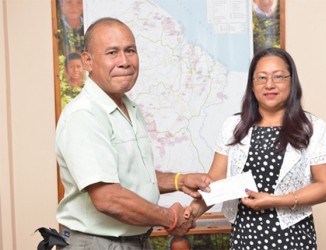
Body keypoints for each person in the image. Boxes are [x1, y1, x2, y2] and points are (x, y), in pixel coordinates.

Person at [55, 17, 211, 249]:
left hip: (134, 241)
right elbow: (108, 198)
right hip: (99, 243)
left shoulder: (129, 108)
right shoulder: (84, 115)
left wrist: (180, 181)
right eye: (112, 53)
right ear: (87, 61)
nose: (125, 61)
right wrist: (171, 219)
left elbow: (134, 175)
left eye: (130, 50)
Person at [188, 47, 326, 249]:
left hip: (293, 240)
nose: (269, 85)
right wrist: (193, 211)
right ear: (252, 84)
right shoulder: (233, 126)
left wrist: (277, 200)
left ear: (292, 81)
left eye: (278, 77)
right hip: (245, 238)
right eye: (261, 78)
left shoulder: (312, 128)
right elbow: (215, 182)